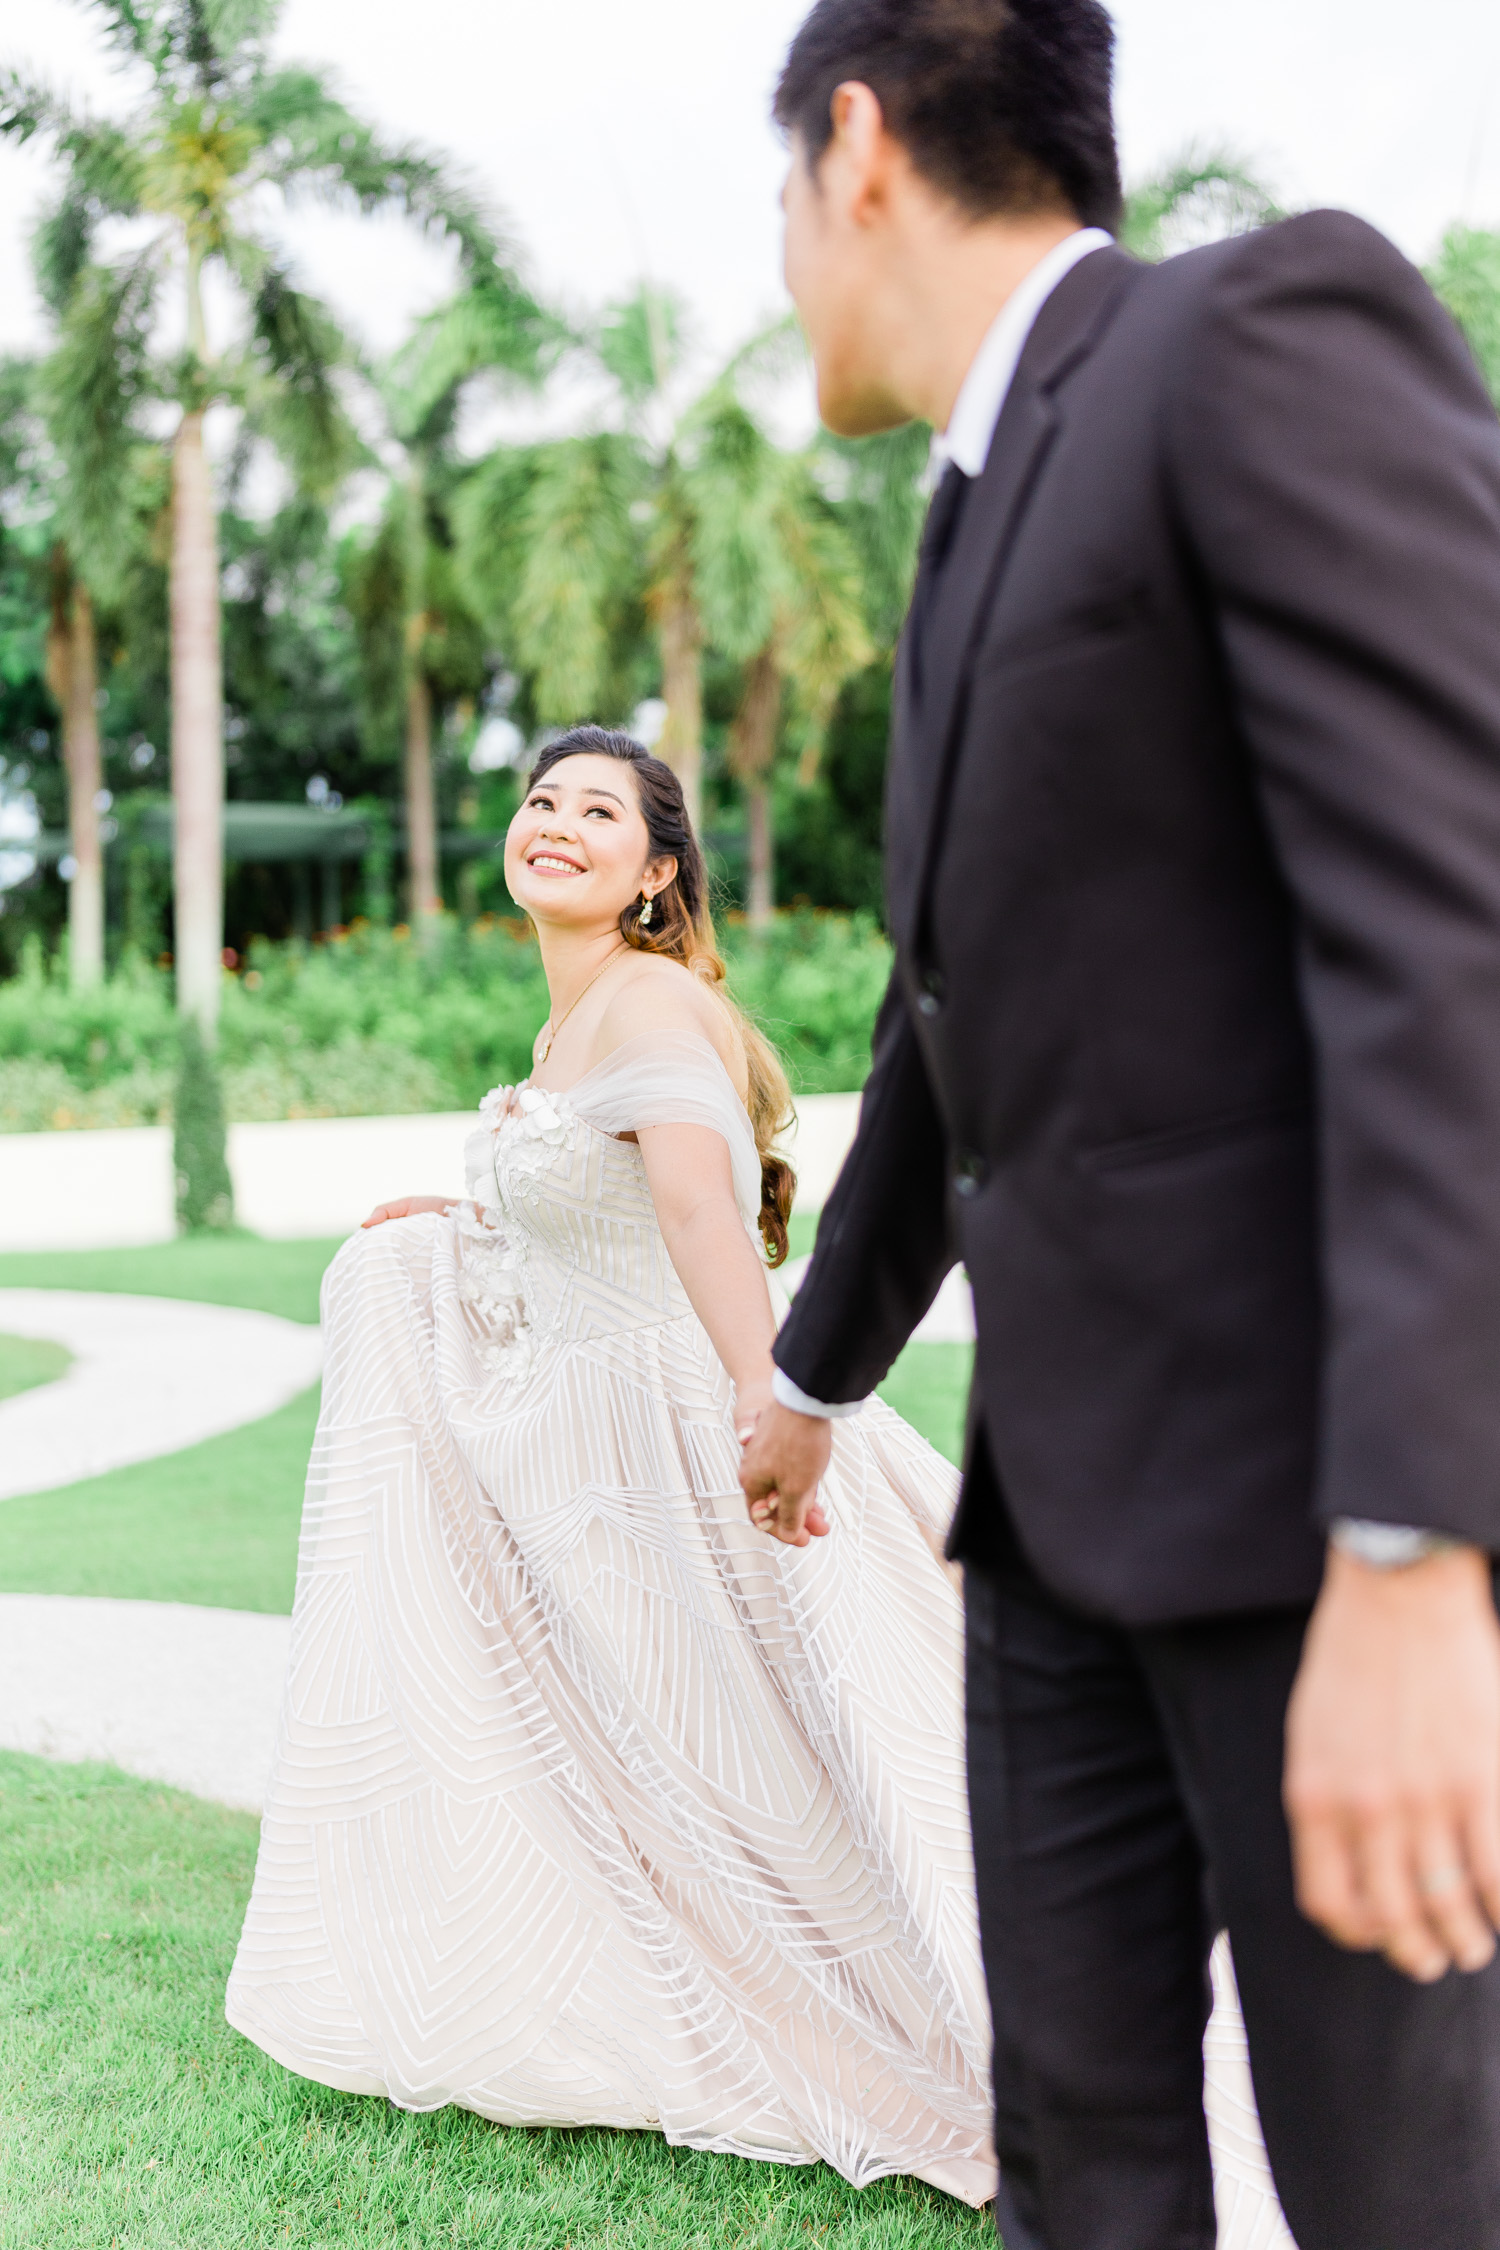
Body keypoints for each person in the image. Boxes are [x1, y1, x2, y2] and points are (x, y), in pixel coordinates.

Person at [739, 3, 1500, 2246]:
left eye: (779, 195)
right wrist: (811, 1375)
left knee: (1405, 2191)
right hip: (1057, 1527)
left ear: (858, 145)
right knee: (1077, 2163)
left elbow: (1452, 932)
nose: (782, 253)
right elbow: (953, 1025)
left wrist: (1417, 1549)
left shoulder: (1248, 340)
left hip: (1309, 1534)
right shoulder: (968, 513)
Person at [224, 725, 998, 2204]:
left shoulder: (645, 1001)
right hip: (599, 1447)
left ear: (655, 874)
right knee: (690, 1767)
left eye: (599, 811)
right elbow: (596, 1219)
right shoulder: (572, 1021)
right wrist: (454, 1231)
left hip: (682, 1431)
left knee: (812, 1764)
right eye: (541, 800)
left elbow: (700, 1215)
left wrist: (769, 1401)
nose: (557, 822)